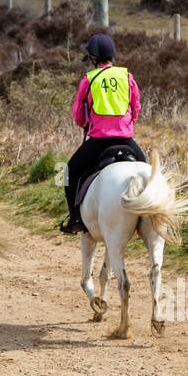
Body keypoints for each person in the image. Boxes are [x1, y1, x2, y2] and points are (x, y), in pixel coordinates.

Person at [59, 33, 146, 235]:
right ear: (112, 55)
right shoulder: (127, 77)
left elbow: (79, 116)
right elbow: (136, 107)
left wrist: (85, 124)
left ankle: (76, 218)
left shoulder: (89, 80)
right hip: (126, 139)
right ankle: (147, 219)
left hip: (98, 141)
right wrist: (127, 126)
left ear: (92, 57)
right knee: (148, 173)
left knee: (69, 172)